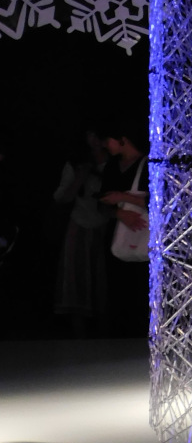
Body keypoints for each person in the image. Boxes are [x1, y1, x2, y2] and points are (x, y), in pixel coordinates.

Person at [53, 129, 109, 335]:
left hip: (107, 227)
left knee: (101, 281)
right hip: (80, 225)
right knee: (77, 278)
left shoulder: (113, 162)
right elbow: (61, 197)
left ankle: (106, 333)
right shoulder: (77, 164)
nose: (94, 140)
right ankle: (80, 334)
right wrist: (80, 177)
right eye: (89, 135)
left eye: (97, 135)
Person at [99, 121, 150, 338]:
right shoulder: (112, 166)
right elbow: (100, 202)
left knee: (141, 288)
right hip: (116, 234)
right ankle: (119, 336)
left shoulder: (148, 164)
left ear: (123, 139)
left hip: (141, 233)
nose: (105, 145)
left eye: (108, 140)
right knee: (118, 289)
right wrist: (119, 213)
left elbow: (159, 202)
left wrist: (123, 198)